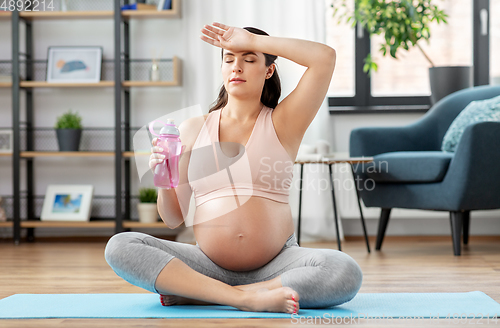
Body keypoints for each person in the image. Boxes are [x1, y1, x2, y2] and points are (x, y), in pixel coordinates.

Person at [105, 22, 362, 314]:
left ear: (268, 70)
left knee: (344, 270)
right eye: (228, 59)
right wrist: (164, 179)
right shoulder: (192, 129)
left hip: (277, 265)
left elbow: (324, 58)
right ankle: (246, 299)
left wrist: (252, 39)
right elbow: (174, 218)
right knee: (120, 245)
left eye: (249, 59)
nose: (235, 67)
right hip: (207, 265)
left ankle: (205, 294)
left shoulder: (284, 122)